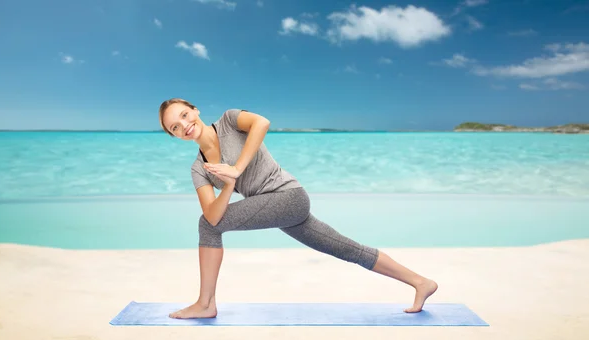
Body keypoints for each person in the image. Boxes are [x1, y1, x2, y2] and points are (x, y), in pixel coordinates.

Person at [158, 98, 438, 319]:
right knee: (346, 248)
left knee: (206, 227)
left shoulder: (230, 121)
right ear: (175, 136)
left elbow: (262, 123)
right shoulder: (199, 169)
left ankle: (206, 303)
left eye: (184, 115)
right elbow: (213, 214)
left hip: (289, 197)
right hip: (277, 208)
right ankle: (420, 282)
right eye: (175, 127)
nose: (183, 125)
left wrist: (236, 168)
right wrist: (229, 184)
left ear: (195, 110)